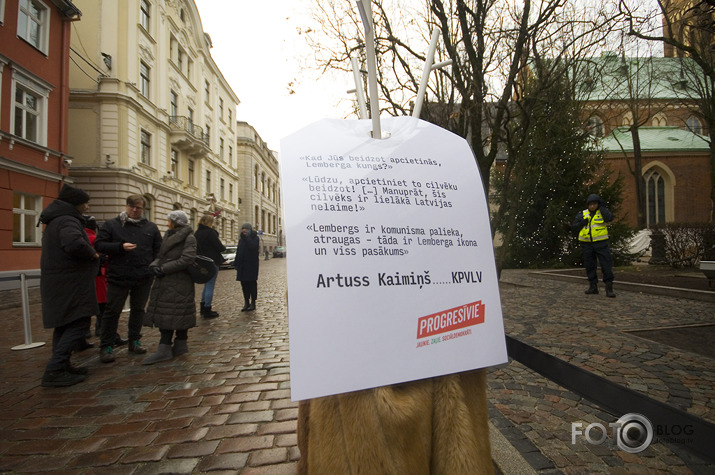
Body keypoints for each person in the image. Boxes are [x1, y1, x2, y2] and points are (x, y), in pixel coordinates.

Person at [39, 184, 100, 387]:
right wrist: (93, 254)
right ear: (76, 203)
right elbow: (74, 243)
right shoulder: (67, 220)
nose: (87, 207)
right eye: (85, 203)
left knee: (64, 324)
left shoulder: (56, 219)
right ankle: (55, 369)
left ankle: (63, 365)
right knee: (79, 323)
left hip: (60, 282)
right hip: (71, 283)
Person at [94, 194, 162, 363]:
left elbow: (158, 250)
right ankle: (106, 345)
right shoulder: (112, 225)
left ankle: (135, 340)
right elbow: (99, 245)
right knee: (112, 311)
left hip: (143, 276)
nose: (134, 210)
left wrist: (152, 267)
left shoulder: (150, 228)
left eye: (138, 207)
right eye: (131, 206)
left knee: (138, 309)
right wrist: (120, 247)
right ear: (126, 206)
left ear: (143, 209)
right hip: (119, 275)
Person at [142, 211, 197, 364]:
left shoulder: (189, 237)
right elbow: (161, 255)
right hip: (166, 282)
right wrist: (154, 266)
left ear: (175, 222)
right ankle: (174, 347)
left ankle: (168, 347)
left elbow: (187, 259)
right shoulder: (168, 235)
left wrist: (164, 268)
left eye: (169, 220)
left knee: (176, 312)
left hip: (179, 282)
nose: (166, 222)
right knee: (169, 311)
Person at [572, 193, 616, 298]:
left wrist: (602, 208)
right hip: (587, 243)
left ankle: (609, 288)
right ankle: (593, 286)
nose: (592, 206)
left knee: (606, 265)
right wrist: (581, 223)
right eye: (590, 204)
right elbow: (574, 227)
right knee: (590, 266)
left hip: (601, 243)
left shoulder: (602, 212)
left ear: (598, 204)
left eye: (594, 204)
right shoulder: (583, 214)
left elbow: (609, 218)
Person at [194, 214, 225, 319]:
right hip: (212, 262)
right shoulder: (210, 233)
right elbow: (220, 247)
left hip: (201, 262)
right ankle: (207, 309)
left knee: (206, 285)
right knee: (210, 285)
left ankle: (203, 307)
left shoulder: (197, 233)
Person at [234, 223, 260, 311]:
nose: (244, 230)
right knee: (244, 285)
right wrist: (236, 263)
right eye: (243, 228)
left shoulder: (255, 238)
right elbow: (238, 251)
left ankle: (253, 302)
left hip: (251, 265)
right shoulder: (241, 239)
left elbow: (252, 246)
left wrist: (247, 238)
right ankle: (246, 302)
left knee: (252, 284)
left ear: (249, 230)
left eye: (246, 229)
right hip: (242, 266)